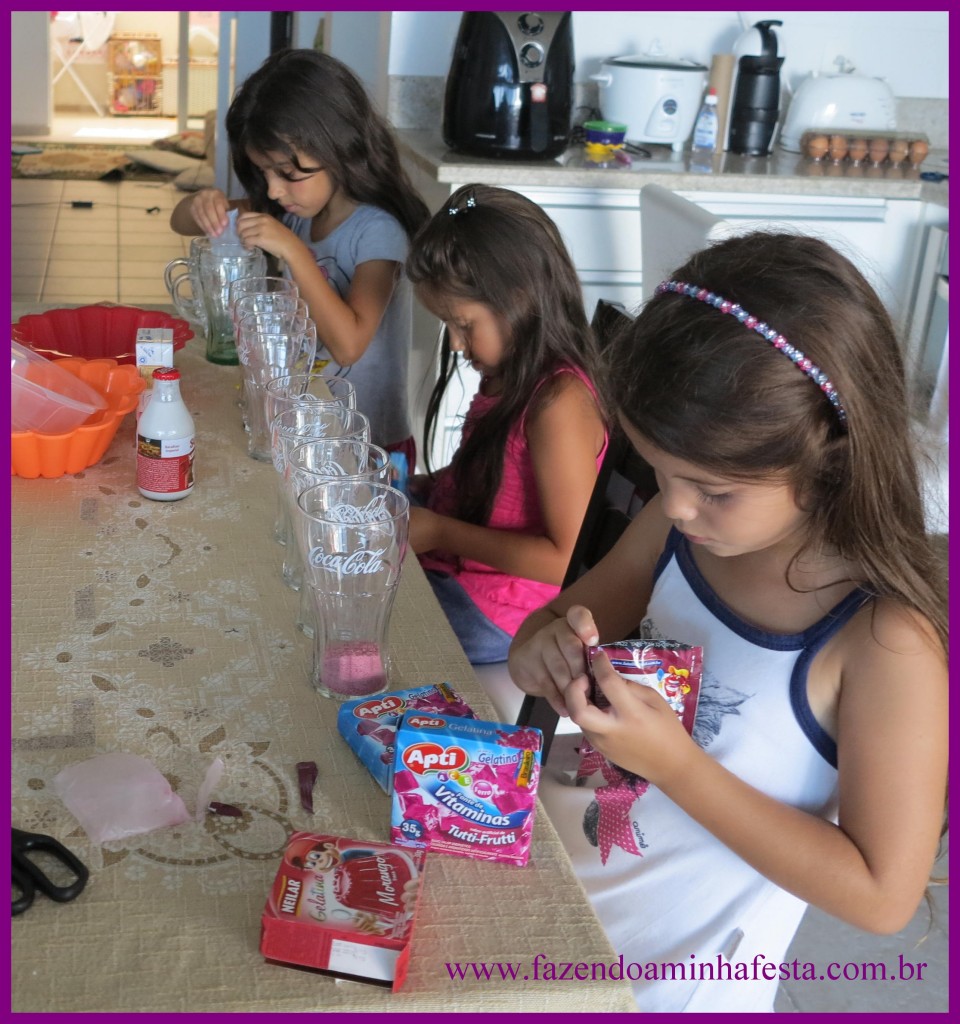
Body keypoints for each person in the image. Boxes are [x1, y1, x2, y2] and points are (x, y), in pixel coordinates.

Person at [507, 232, 948, 1012]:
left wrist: (677, 766)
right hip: (556, 918)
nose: (675, 505)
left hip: (677, 991)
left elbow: (882, 895)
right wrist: (540, 650)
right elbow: (551, 627)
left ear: (830, 458)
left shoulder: (883, 640)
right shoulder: (677, 533)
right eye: (659, 470)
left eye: (713, 489)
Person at [170, 48, 429, 462]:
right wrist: (203, 203)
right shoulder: (296, 211)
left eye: (287, 173)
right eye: (264, 173)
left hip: (371, 444)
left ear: (338, 146)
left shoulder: (377, 230)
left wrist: (292, 251)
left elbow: (348, 345)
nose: (273, 190)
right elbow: (181, 221)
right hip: (313, 427)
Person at [405, 184, 609, 664]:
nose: (455, 345)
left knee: (351, 609)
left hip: (503, 611)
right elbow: (498, 487)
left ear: (517, 299)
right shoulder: (511, 373)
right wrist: (427, 489)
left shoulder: (559, 402)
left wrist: (438, 531)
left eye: (463, 324)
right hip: (464, 572)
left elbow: (565, 561)